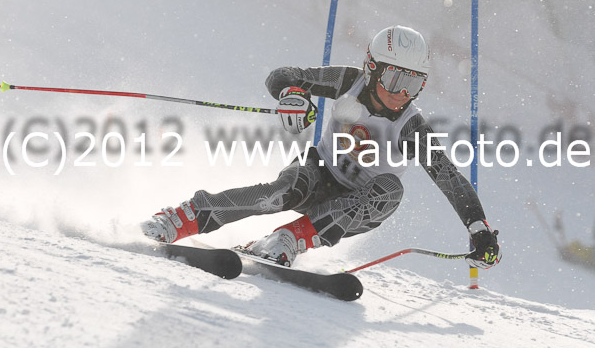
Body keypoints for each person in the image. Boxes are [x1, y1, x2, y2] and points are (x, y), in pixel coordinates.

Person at [141, 25, 501, 270]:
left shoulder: (411, 126)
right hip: (318, 173)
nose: (401, 93)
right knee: (281, 192)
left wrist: (479, 229)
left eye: (413, 83)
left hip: (357, 206)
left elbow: (450, 178)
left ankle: (288, 240)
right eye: (394, 78)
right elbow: (283, 75)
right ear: (372, 69)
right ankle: (182, 217)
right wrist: (292, 95)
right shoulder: (349, 81)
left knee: (391, 189)